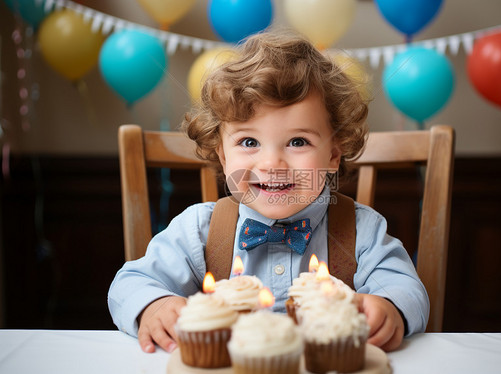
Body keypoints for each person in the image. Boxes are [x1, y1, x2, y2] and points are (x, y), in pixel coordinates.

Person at [108, 31, 429, 355]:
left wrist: (388, 307)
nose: (272, 162)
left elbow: (407, 290)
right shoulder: (198, 230)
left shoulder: (363, 230)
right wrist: (153, 305)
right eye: (249, 142)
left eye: (298, 141)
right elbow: (129, 284)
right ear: (222, 154)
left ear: (333, 155)